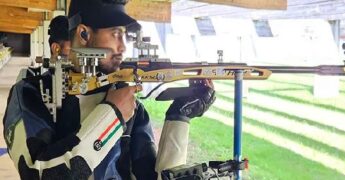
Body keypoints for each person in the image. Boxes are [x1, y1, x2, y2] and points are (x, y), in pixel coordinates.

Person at [3, 0, 215, 180]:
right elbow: (37, 172)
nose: (123, 47)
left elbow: (153, 176)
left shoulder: (129, 106)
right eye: (115, 34)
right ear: (83, 34)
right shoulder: (31, 93)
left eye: (125, 36)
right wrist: (112, 115)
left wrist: (179, 118)